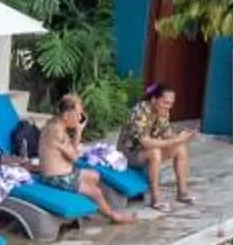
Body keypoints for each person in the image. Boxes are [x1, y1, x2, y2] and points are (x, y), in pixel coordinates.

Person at [33, 95, 136, 224]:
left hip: (64, 172)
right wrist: (79, 132)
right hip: (56, 178)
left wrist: (78, 131)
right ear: (66, 115)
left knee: (94, 176)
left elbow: (71, 152)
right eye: (77, 114)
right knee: (96, 192)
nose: (80, 118)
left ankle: (89, 207)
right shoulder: (58, 132)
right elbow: (74, 157)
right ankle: (114, 216)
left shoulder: (54, 123)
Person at [123, 81, 198, 204]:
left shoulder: (163, 111)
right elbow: (145, 142)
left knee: (180, 147)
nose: (168, 107)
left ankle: (182, 192)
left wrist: (182, 137)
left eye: (171, 104)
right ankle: (156, 198)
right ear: (153, 99)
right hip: (130, 154)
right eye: (165, 103)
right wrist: (175, 140)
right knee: (155, 152)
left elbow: (166, 134)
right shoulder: (139, 112)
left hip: (148, 151)